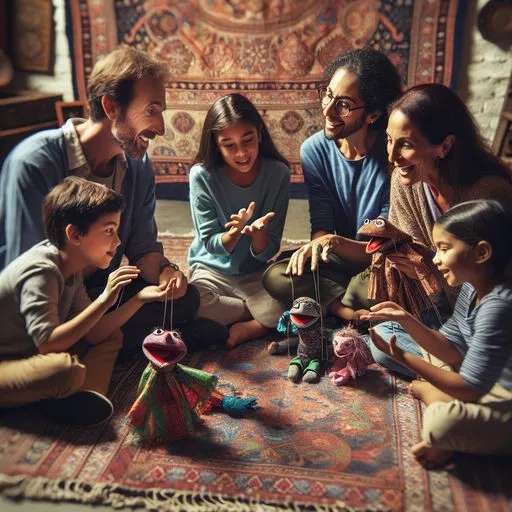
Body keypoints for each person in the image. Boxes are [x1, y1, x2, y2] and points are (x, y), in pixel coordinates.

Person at [0, 46, 227, 355]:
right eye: (151, 110)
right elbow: (27, 271)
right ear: (111, 107)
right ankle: (156, 340)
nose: (160, 127)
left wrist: (165, 272)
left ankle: (127, 341)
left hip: (97, 295)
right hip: (41, 305)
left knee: (184, 299)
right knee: (50, 346)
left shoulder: (137, 165)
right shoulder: (35, 163)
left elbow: (143, 248)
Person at [0, 177, 174, 426]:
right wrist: (104, 299)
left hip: (29, 354)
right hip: (8, 362)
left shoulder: (73, 268)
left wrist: (138, 299)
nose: (117, 241)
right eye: (108, 231)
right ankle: (58, 394)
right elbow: (48, 343)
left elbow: (94, 334)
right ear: (74, 233)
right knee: (64, 371)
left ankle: (88, 395)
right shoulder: (42, 270)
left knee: (111, 335)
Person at [362, 200, 512, 468]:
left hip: (500, 394)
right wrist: (406, 319)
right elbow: (449, 345)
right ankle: (453, 415)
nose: (435, 258)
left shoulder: (499, 306)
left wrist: (405, 357)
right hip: (473, 373)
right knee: (388, 333)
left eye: (443, 249)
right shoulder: (473, 285)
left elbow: (469, 389)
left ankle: (434, 397)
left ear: (482, 252)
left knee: (440, 425)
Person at [262, 48, 402, 320]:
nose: (328, 110)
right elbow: (322, 222)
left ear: (372, 113)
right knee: (275, 274)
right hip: (338, 258)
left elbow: (382, 248)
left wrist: (334, 242)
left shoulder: (392, 157)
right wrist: (316, 250)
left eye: (344, 104)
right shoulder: (314, 150)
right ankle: (346, 311)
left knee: (369, 287)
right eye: (328, 94)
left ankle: (332, 303)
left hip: (375, 261)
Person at [187, 93, 290, 348]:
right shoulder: (202, 175)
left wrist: (258, 237)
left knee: (297, 301)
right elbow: (209, 242)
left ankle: (250, 326)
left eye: (248, 140)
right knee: (189, 303)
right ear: (215, 144)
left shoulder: (278, 173)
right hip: (211, 271)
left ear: (260, 135)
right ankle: (254, 316)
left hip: (253, 273)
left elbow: (271, 247)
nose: (242, 153)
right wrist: (234, 233)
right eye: (229, 145)